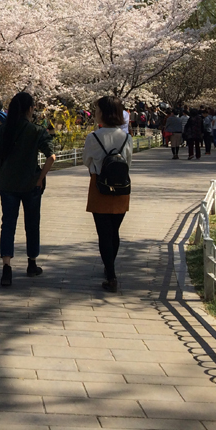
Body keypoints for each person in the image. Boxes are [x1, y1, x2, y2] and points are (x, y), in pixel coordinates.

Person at [0, 92, 56, 287]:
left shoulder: (3, 131)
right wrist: (40, 177)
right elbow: (51, 156)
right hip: (31, 185)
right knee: (32, 223)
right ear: (30, 109)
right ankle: (32, 263)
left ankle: (6, 268)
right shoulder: (36, 131)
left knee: (8, 225)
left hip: (8, 184)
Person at [82, 95, 133, 293]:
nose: (95, 114)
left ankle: (111, 275)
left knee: (104, 233)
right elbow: (128, 163)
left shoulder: (93, 137)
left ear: (103, 113)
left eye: (97, 110)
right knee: (115, 231)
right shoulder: (126, 137)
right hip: (121, 187)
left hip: (99, 186)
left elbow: (87, 160)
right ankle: (109, 266)